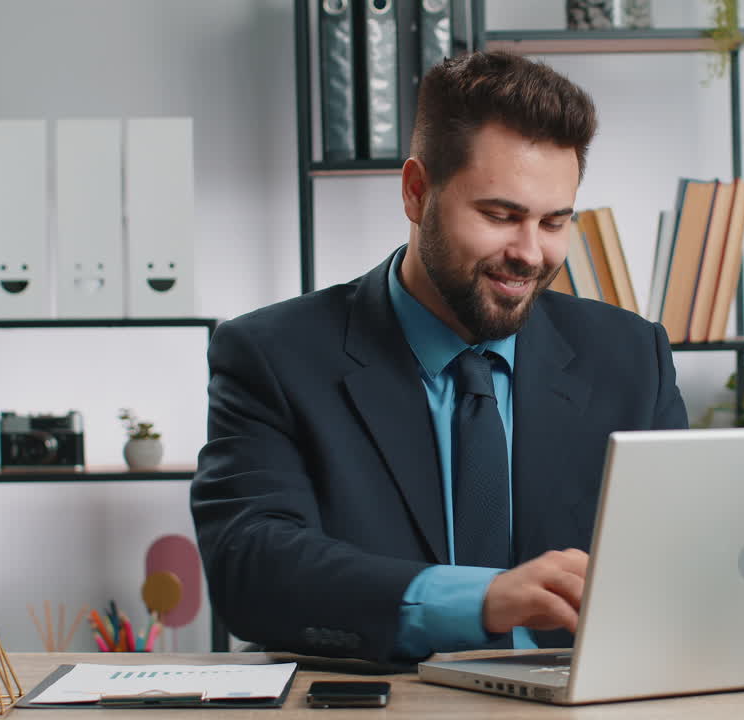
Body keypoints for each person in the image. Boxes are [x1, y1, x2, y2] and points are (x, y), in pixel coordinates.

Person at [191, 50, 688, 663]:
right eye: (500, 216)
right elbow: (254, 570)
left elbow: (683, 561)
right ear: (416, 191)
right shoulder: (272, 355)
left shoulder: (634, 356)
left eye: (555, 222)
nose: (530, 253)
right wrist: (480, 599)